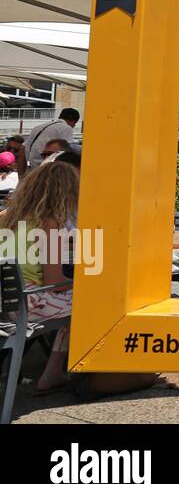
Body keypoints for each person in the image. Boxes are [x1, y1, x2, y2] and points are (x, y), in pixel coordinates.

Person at [0, 160, 79, 391]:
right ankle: (53, 372)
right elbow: (55, 283)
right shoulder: (49, 223)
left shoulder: (7, 217)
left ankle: (51, 372)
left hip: (5, 303)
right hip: (28, 304)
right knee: (91, 303)